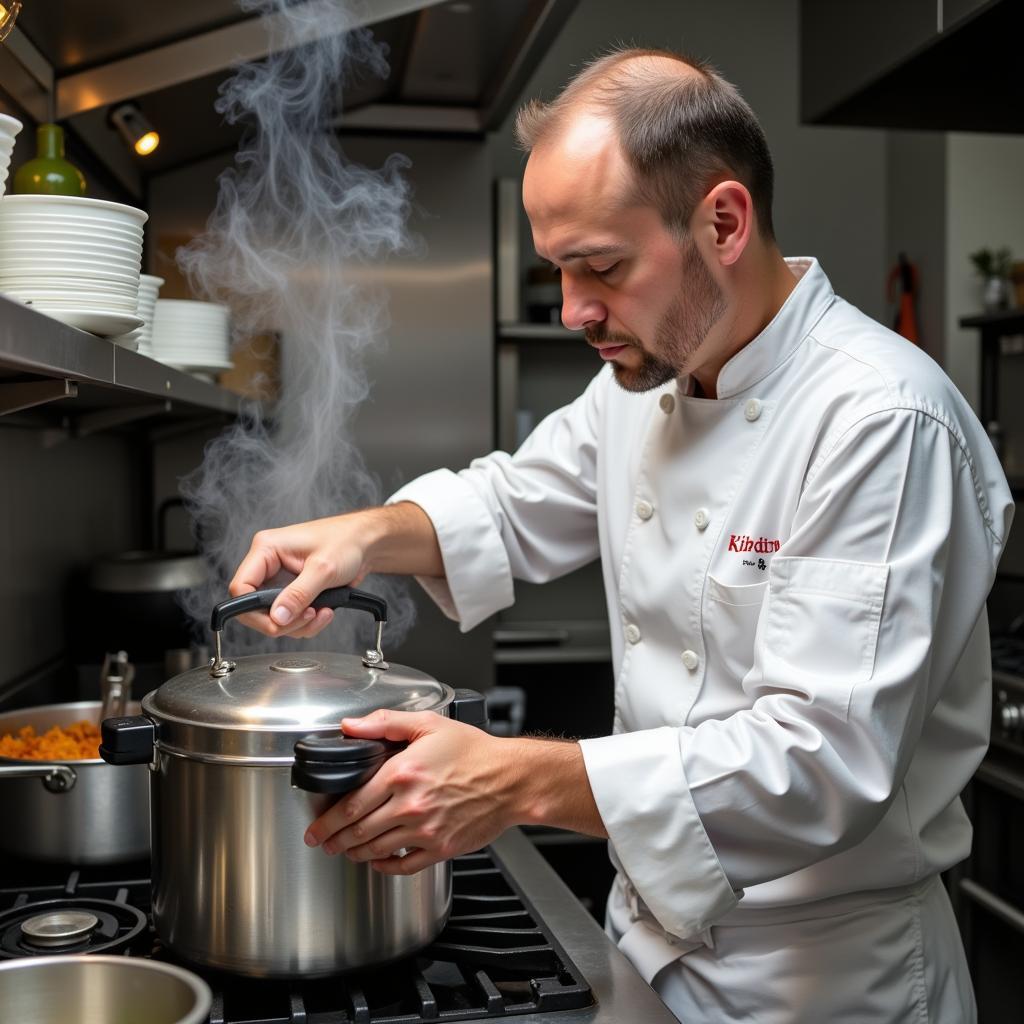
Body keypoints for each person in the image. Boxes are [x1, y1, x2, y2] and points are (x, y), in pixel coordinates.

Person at [229, 48, 1012, 1023]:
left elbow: (819, 761)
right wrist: (359, 536)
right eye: (557, 270)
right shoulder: (643, 385)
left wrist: (515, 779)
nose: (573, 311)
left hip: (826, 981)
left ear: (722, 222)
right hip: (643, 940)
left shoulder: (882, 421)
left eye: (601, 267)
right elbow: (513, 503)